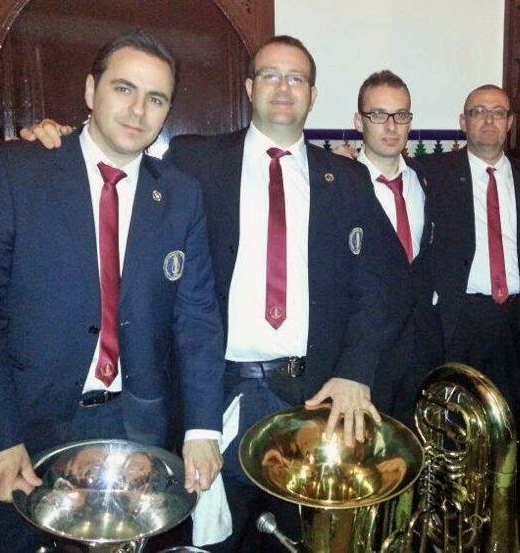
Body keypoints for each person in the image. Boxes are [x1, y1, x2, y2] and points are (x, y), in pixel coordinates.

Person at [22, 35, 401, 552]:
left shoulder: (348, 179)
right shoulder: (192, 159)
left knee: (295, 542)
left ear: (313, 95)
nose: (283, 87)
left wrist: (356, 370)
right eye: (269, 75)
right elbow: (114, 152)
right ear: (249, 87)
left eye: (296, 78)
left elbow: (385, 283)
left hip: (311, 400)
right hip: (209, 399)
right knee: (208, 540)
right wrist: (56, 137)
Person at [0, 31, 226, 552]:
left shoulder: (180, 194)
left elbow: (197, 317)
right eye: (124, 89)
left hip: (137, 428)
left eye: (156, 98)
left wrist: (201, 430)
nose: (138, 110)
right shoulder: (16, 171)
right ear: (89, 90)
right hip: (24, 428)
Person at [420, 84, 520, 431]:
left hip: (517, 318)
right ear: (463, 122)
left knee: (510, 422)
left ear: (509, 122)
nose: (488, 120)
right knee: (453, 421)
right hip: (458, 318)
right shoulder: (431, 173)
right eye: (478, 112)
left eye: (498, 112)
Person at [335, 70, 441, 427]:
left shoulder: (427, 179)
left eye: (401, 115)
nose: (392, 126)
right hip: (365, 355)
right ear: (359, 121)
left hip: (423, 348)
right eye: (379, 114)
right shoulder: (337, 183)